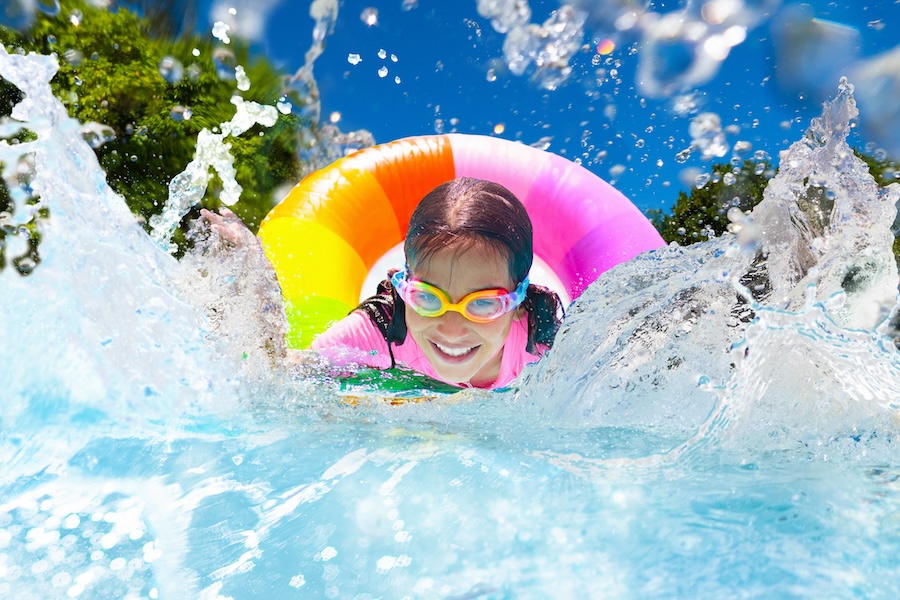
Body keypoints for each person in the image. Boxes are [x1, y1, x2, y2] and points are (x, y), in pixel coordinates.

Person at [203, 177, 564, 390]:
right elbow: (278, 379)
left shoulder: (546, 343)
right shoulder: (379, 334)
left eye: (483, 303)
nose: (452, 329)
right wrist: (260, 292)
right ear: (404, 288)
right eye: (427, 297)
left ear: (518, 305)